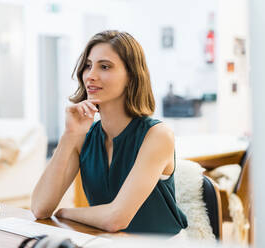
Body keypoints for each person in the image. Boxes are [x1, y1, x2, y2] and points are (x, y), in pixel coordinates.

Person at [31, 30, 188, 234]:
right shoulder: (84, 136)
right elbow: (40, 207)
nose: (91, 76)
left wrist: (65, 213)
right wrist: (69, 136)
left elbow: (116, 219)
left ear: (131, 76)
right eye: (88, 66)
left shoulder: (158, 135)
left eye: (104, 66)